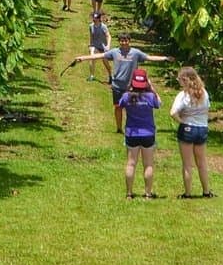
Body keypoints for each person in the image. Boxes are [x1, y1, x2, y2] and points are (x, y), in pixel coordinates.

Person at [71, 33, 173, 133]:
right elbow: (99, 55)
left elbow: (149, 57)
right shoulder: (115, 52)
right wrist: (83, 58)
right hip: (117, 86)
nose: (124, 43)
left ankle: (131, 126)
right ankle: (119, 128)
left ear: (129, 41)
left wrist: (165, 58)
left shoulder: (136, 53)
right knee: (118, 107)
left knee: (132, 107)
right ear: (119, 42)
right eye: (121, 41)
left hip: (132, 87)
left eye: (126, 41)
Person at [170, 66, 213, 199]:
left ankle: (188, 193)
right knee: (202, 162)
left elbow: (173, 113)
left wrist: (182, 121)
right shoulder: (204, 93)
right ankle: (206, 191)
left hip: (188, 129)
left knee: (187, 164)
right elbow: (207, 110)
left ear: (185, 80)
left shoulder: (183, 95)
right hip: (202, 129)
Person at [119, 69, 161, 199]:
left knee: (131, 163)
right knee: (148, 164)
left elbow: (119, 105)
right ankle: (148, 193)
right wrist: (152, 88)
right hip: (148, 133)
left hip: (132, 133)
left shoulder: (127, 96)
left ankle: (129, 193)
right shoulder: (150, 97)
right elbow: (159, 103)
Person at [86, 11, 111, 82]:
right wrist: (90, 45)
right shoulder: (91, 26)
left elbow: (108, 36)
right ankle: (91, 76)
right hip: (95, 46)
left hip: (103, 47)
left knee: (105, 62)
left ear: (100, 18)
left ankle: (110, 75)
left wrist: (108, 46)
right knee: (92, 58)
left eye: (97, 18)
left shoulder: (103, 27)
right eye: (94, 18)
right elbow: (91, 36)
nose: (95, 19)